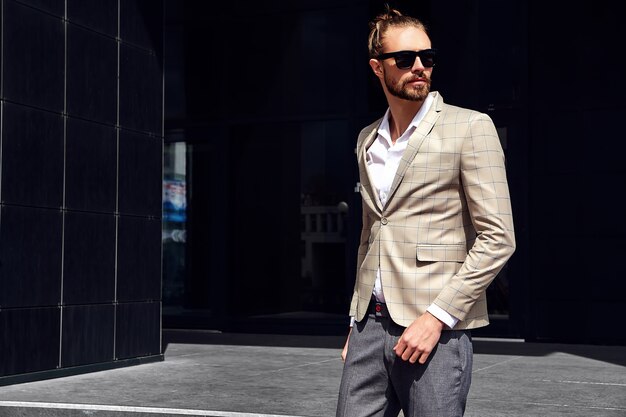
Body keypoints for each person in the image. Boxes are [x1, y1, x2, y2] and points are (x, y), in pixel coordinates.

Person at [336, 5, 516, 417]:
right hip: (369, 327)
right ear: (378, 68)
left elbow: (498, 238)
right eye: (405, 59)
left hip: (436, 332)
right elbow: (370, 234)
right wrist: (354, 321)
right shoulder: (368, 140)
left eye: (427, 58)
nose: (419, 67)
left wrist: (436, 318)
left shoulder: (470, 127)